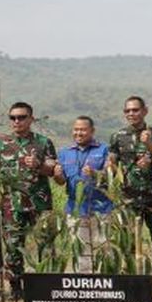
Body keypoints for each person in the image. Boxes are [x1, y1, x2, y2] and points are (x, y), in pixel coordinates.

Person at [109, 96, 152, 290]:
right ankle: (131, 278)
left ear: (145, 111)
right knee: (128, 239)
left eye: (135, 110)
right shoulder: (117, 136)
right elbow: (112, 160)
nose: (131, 114)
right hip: (128, 198)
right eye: (128, 111)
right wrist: (109, 167)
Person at [0, 101, 56, 297]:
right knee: (13, 246)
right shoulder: (0, 143)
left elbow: (52, 170)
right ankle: (15, 289)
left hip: (39, 203)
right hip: (12, 205)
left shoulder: (43, 142)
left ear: (31, 119)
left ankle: (46, 287)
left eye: (21, 117)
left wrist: (38, 164)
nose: (16, 121)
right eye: (13, 118)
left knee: (45, 245)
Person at [53, 116, 112, 273]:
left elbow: (110, 176)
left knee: (103, 247)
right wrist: (57, 175)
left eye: (83, 129)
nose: (79, 133)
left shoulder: (104, 150)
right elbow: (61, 182)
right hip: (75, 209)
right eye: (76, 129)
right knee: (80, 250)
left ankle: (104, 285)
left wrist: (96, 173)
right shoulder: (64, 153)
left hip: (101, 208)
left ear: (92, 131)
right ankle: (85, 284)